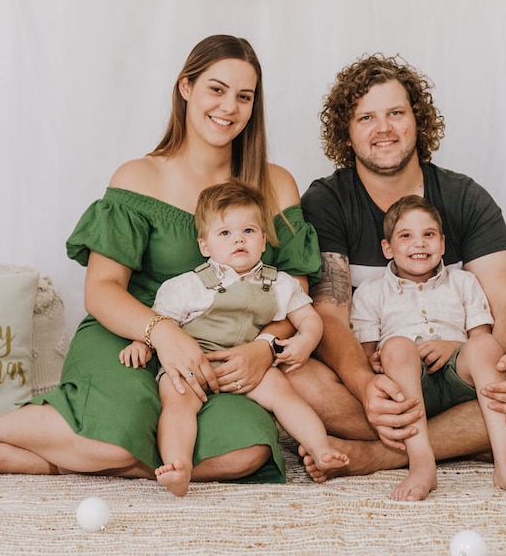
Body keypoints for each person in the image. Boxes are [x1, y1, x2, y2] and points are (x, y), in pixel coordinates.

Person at [0, 34, 323, 486]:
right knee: (116, 435)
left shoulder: (274, 183)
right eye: (216, 88)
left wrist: (263, 347)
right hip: (131, 333)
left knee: (245, 452)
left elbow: (295, 290)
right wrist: (164, 333)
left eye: (244, 96)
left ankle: (47, 455)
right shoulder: (139, 176)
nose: (229, 107)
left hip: (220, 347)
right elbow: (102, 289)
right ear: (185, 87)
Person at [291, 53, 506, 483]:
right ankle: (484, 438)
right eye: (366, 118)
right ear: (346, 130)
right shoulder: (327, 201)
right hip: (387, 384)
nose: (384, 129)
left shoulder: (464, 197)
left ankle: (381, 456)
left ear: (418, 118)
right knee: (296, 375)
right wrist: (364, 385)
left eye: (396, 113)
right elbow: (330, 316)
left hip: (463, 378)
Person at [119, 180, 348, 496]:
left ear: (264, 240)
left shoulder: (279, 283)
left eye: (249, 231)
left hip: (247, 366)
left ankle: (320, 448)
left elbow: (309, 318)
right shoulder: (188, 286)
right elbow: (160, 323)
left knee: (282, 391)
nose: (238, 239)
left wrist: (306, 340)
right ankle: (179, 467)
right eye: (224, 233)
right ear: (205, 246)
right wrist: (141, 343)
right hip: (193, 362)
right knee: (178, 402)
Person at [351, 194, 506, 501]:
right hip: (408, 386)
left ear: (443, 244)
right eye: (406, 236)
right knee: (395, 347)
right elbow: (367, 355)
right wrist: (383, 360)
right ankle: (421, 464)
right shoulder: (371, 292)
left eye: (428, 235)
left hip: (460, 380)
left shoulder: (463, 283)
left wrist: (452, 346)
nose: (419, 244)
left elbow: (482, 339)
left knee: (485, 345)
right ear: (387, 248)